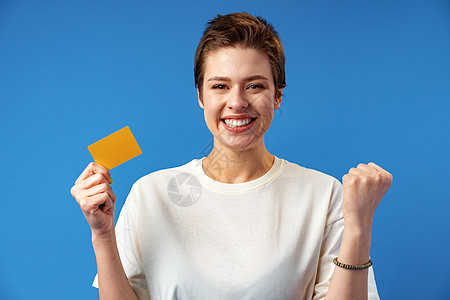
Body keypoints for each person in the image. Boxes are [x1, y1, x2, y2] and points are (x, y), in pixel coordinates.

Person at [71, 12, 392, 300]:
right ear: (200, 95)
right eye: (220, 86)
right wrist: (102, 234)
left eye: (254, 86)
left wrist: (359, 226)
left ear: (277, 96)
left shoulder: (324, 195)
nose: (237, 102)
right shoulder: (149, 194)